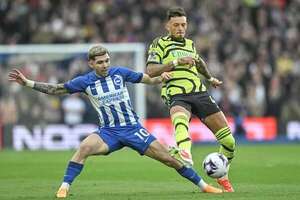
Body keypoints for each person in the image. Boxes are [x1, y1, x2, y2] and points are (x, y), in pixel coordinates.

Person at [8, 45, 223, 198]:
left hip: (133, 129)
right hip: (108, 132)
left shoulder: (120, 73)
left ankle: (204, 186)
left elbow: (147, 79)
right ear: (91, 63)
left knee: (170, 159)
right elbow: (56, 89)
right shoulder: (84, 81)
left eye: (107, 61)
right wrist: (27, 82)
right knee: (83, 147)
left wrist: (160, 78)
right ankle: (64, 187)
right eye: (100, 62)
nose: (105, 65)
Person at [146, 7, 236, 192]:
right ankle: (185, 152)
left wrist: (210, 78)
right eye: (176, 25)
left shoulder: (190, 44)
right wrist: (176, 63)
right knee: (180, 118)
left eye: (183, 25)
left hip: (199, 92)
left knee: (229, 142)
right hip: (176, 92)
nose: (180, 28)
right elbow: (151, 70)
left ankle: (222, 175)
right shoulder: (159, 44)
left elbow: (199, 62)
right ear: (167, 26)